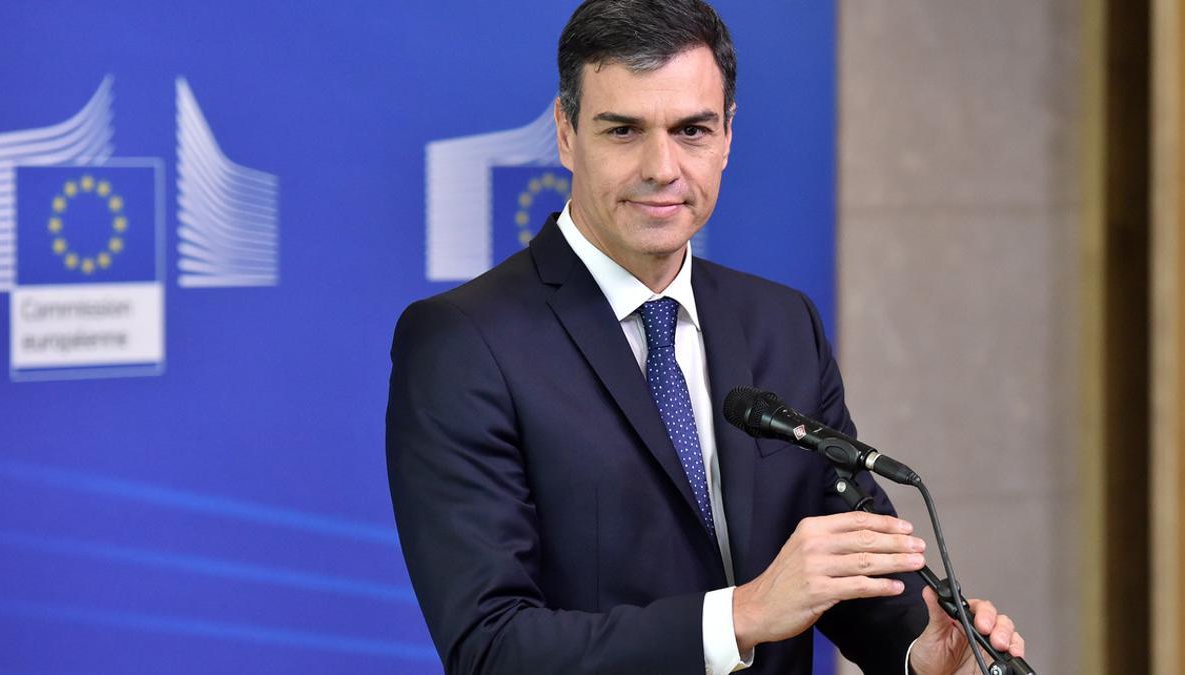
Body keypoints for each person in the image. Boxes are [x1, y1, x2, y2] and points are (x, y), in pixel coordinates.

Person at [386, 1, 1026, 673]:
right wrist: (743, 613)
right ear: (566, 133)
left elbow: (846, 567)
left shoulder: (781, 323)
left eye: (691, 129)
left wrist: (918, 651)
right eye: (624, 130)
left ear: (728, 136)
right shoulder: (462, 344)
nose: (662, 167)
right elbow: (493, 647)